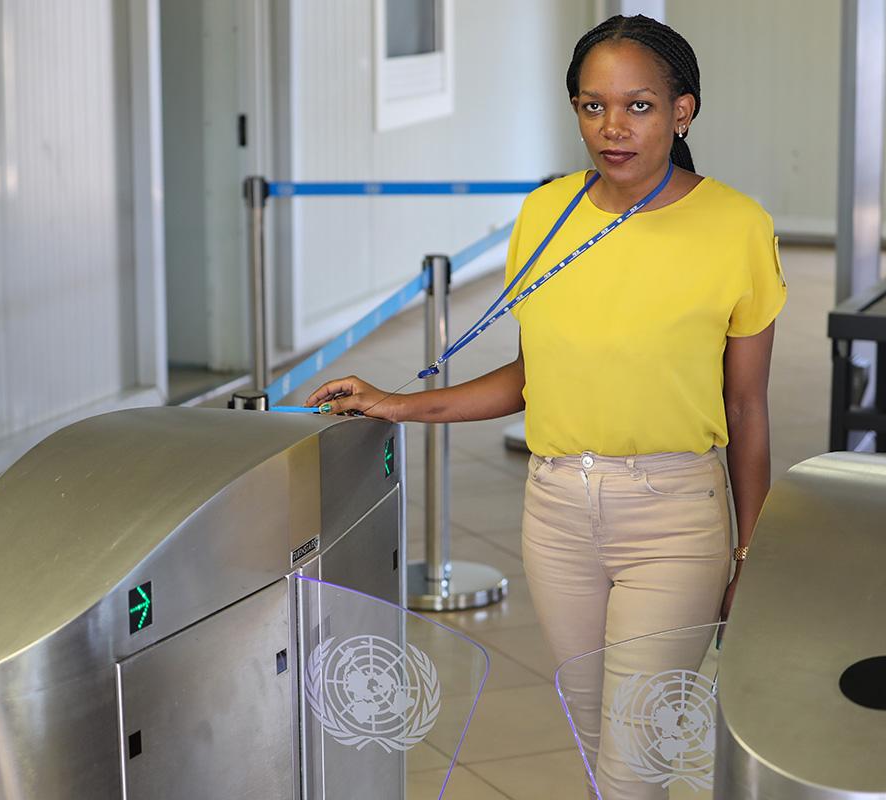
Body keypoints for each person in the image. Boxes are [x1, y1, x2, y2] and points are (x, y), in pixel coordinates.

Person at [306, 14, 785, 798]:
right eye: (593, 106)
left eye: (638, 106)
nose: (613, 127)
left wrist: (751, 550)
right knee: (599, 745)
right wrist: (399, 404)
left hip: (674, 517)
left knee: (634, 763)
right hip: (558, 511)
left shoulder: (737, 226)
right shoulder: (545, 214)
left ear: (682, 112)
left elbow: (747, 405)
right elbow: (533, 378)